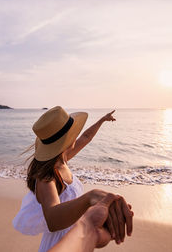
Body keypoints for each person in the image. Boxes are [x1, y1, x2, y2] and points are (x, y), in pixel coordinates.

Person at [13, 106, 133, 252]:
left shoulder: (62, 159)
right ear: (66, 142)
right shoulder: (46, 177)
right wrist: (90, 197)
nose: (76, 136)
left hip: (77, 237)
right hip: (59, 244)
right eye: (73, 134)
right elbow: (53, 219)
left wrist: (102, 120)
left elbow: (86, 137)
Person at [49, 193, 129, 252]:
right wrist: (90, 197)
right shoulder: (47, 175)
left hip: (74, 239)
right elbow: (51, 220)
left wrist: (93, 230)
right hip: (57, 242)